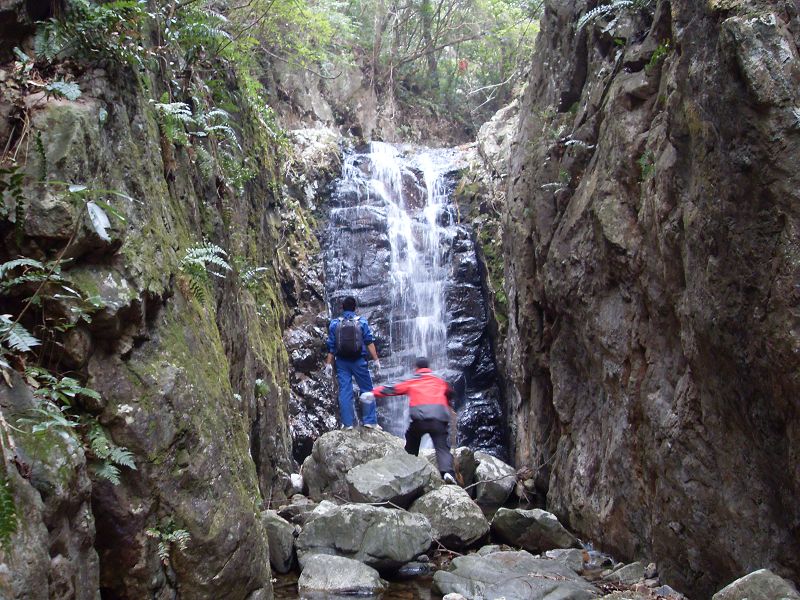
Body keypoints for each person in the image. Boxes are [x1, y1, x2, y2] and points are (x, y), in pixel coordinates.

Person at [369, 357, 457, 484]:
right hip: (439, 420)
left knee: (412, 440)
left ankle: (408, 467)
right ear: (428, 367)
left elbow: (392, 388)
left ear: (416, 368)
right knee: (442, 447)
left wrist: (372, 393)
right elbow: (450, 392)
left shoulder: (413, 380)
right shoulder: (439, 380)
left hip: (420, 420)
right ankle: (447, 473)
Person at [325, 296, 381, 429]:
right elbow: (369, 342)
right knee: (366, 389)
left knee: (345, 391)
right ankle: (370, 421)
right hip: (359, 361)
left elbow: (331, 346)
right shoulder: (361, 322)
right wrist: (376, 360)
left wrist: (328, 364)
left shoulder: (334, 323)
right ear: (356, 308)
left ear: (342, 308)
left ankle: (347, 423)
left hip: (342, 362)